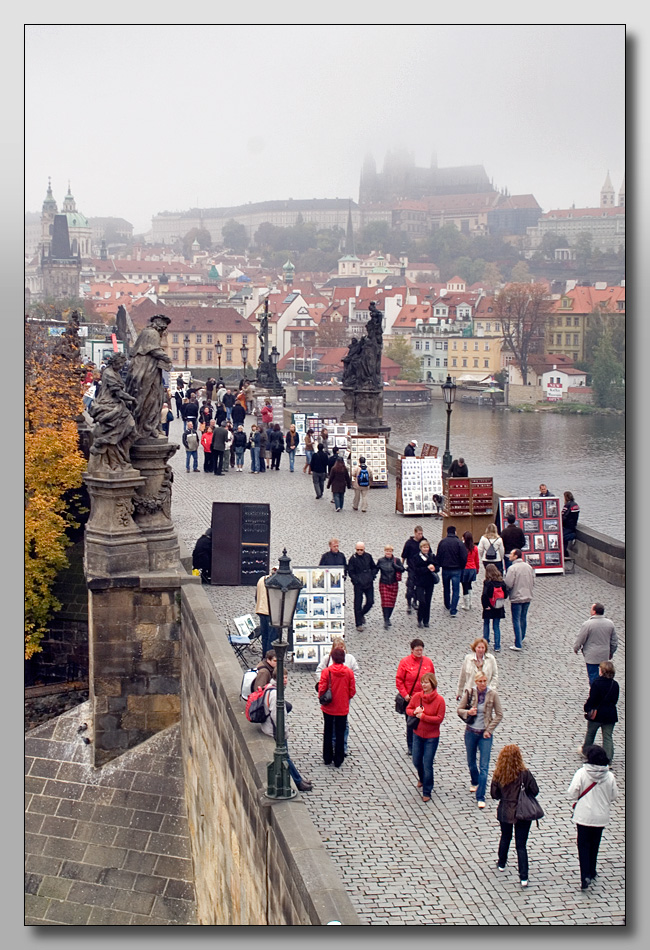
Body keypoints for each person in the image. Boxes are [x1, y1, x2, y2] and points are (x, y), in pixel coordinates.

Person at [567, 744, 618, 889]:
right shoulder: (609, 776)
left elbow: (572, 793)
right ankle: (592, 870)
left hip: (583, 816)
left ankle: (585, 876)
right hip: (601, 816)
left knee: (583, 845)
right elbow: (614, 796)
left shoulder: (582, 773)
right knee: (595, 843)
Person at [490, 744, 540, 887]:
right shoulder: (525, 773)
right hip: (523, 812)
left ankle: (501, 862)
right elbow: (535, 790)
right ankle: (523, 876)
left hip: (506, 810)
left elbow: (494, 794)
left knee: (505, 836)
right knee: (521, 845)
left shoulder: (499, 774)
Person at [260, 671, 313, 792]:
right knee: (285, 756)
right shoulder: (275, 694)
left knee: (286, 756)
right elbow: (276, 716)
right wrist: (283, 732)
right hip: (275, 731)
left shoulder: (271, 688)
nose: (285, 680)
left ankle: (298, 779)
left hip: (271, 728)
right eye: (283, 678)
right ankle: (298, 781)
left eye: (286, 677)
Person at [457, 670, 503, 808]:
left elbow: (499, 714)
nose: (483, 683)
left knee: (484, 766)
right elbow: (459, 709)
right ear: (476, 682)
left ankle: (481, 796)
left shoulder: (493, 695)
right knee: (471, 762)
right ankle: (475, 781)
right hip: (471, 732)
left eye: (484, 681)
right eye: (480, 681)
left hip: (485, 734)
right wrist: (468, 712)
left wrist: (489, 730)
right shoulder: (470, 693)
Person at [406, 672, 446, 803]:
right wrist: (414, 712)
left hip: (432, 737)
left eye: (426, 682)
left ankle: (427, 790)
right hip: (418, 734)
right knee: (416, 760)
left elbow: (439, 719)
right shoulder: (417, 697)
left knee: (427, 763)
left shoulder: (440, 700)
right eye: (422, 682)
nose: (423, 685)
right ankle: (422, 778)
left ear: (432, 684)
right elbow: (408, 709)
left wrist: (424, 717)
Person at [316, 637, 359, 756]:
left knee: (330, 728)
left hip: (330, 703)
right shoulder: (347, 671)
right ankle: (339, 754)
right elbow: (352, 689)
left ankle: (329, 754)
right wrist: (347, 696)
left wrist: (322, 696)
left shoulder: (328, 671)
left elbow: (322, 687)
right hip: (343, 702)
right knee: (340, 726)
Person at [396, 640, 436, 756]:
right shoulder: (405, 662)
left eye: (421, 650)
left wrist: (433, 695)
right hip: (411, 699)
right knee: (411, 722)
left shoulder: (428, 662)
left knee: (425, 721)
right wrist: (405, 695)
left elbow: (433, 680)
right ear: (412, 650)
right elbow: (399, 680)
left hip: (425, 698)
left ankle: (424, 743)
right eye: (417, 650)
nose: (419, 652)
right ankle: (411, 745)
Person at [580, 660, 619, 763]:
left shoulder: (597, 683)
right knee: (607, 737)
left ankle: (586, 751)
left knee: (591, 734)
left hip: (597, 715)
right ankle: (608, 759)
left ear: (602, 671)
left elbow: (592, 699)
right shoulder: (614, 684)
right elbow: (615, 700)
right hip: (610, 715)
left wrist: (587, 708)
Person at [573, 603, 618, 685]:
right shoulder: (610, 623)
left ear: (594, 611)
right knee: (605, 676)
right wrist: (611, 652)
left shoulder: (587, 624)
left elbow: (581, 638)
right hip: (604, 655)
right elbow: (614, 641)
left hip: (591, 656)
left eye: (591, 609)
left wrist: (576, 648)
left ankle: (595, 693)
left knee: (593, 676)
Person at [504, 549, 535, 650]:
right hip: (527, 595)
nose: (509, 556)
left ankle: (518, 643)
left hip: (517, 596)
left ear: (516, 556)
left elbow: (508, 583)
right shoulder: (529, 567)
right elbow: (533, 581)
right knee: (523, 617)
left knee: (516, 619)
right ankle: (521, 637)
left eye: (511, 554)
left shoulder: (512, 568)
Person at [435, 525, 468, 617]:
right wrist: (462, 566)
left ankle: (447, 604)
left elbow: (439, 556)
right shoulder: (459, 543)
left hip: (445, 569)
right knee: (456, 589)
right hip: (456, 569)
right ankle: (453, 609)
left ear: (447, 532)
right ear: (455, 532)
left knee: (446, 588)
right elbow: (464, 557)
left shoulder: (442, 542)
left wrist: (439, 565)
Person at [347, 541, 377, 630]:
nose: (359, 551)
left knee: (370, 601)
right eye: (358, 550)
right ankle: (358, 623)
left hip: (368, 583)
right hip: (358, 585)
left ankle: (361, 614)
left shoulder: (368, 556)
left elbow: (374, 567)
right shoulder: (353, 559)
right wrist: (356, 580)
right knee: (357, 603)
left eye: (361, 550)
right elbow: (351, 572)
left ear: (364, 549)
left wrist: (372, 576)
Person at [409, 539, 439, 629]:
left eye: (427, 547)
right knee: (422, 601)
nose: (426, 549)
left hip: (429, 582)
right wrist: (427, 568)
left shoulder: (432, 556)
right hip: (419, 582)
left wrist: (434, 568)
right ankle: (420, 619)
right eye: (424, 547)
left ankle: (426, 620)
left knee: (428, 601)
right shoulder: (416, 557)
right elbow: (416, 570)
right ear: (421, 548)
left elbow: (437, 567)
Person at [376, 545, 405, 628]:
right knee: (385, 601)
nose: (388, 552)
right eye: (387, 551)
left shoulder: (397, 560)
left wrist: (396, 567)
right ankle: (386, 618)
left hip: (393, 583)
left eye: (390, 551)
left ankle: (388, 616)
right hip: (384, 583)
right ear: (384, 551)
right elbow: (376, 569)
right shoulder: (381, 561)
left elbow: (402, 569)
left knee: (392, 601)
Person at [480, 564, 508, 651]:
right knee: (496, 626)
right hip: (498, 606)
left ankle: (486, 642)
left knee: (486, 624)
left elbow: (484, 595)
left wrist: (485, 606)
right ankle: (497, 645)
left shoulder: (487, 582)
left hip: (489, 606)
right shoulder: (502, 582)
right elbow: (506, 595)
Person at [401, 526, 427, 614]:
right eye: (419, 533)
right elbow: (404, 555)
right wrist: (401, 566)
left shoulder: (424, 542)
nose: (420, 535)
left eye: (421, 533)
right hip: (411, 568)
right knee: (410, 587)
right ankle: (408, 603)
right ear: (415, 533)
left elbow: (428, 553)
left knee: (419, 587)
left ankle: (415, 601)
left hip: (421, 569)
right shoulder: (409, 543)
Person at [255, 569, 279, 656]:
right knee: (271, 637)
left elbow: (256, 596)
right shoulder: (276, 583)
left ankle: (264, 655)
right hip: (272, 613)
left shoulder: (262, 579)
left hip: (261, 611)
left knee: (264, 636)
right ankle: (269, 657)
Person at [461, 531, 479, 610]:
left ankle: (466, 605)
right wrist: (477, 569)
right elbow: (477, 560)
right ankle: (470, 602)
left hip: (465, 568)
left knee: (464, 586)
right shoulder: (475, 548)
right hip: (472, 568)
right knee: (469, 585)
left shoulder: (462, 547)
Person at [562, 491, 580, 555]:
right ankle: (564, 552)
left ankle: (564, 552)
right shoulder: (575, 505)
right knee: (564, 539)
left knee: (562, 538)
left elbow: (564, 516)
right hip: (573, 525)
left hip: (567, 526)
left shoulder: (567, 505)